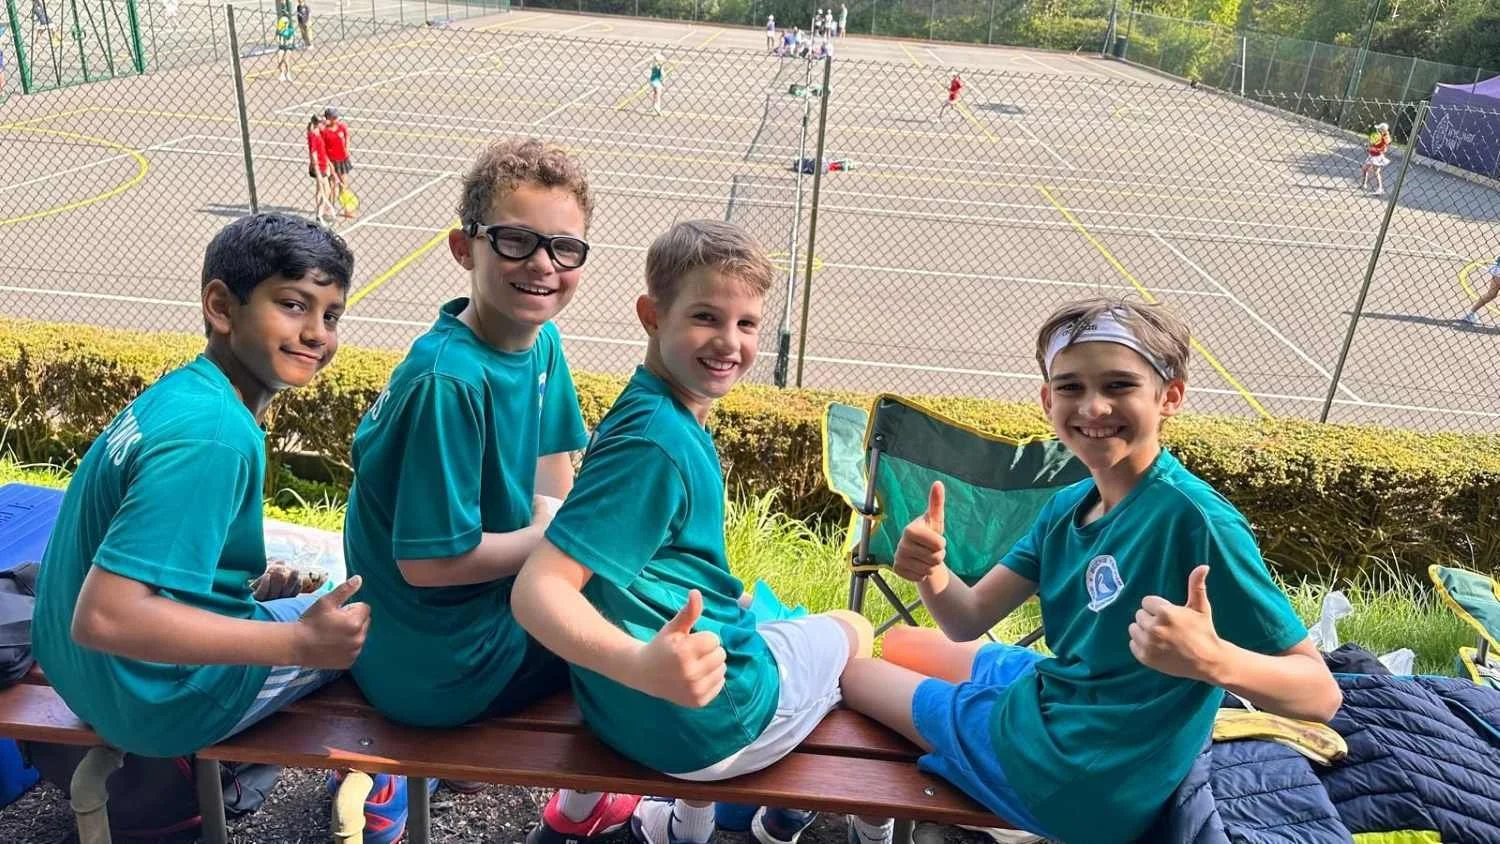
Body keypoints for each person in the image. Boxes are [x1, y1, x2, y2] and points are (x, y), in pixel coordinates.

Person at [838, 296, 1343, 844]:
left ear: (1169, 397)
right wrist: (930, 571)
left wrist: (1214, 659)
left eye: (1119, 386)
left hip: (1083, 778)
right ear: (1047, 398)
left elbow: (1320, 695)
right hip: (1064, 703)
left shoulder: (1197, 521)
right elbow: (966, 617)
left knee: (854, 674)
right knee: (909, 642)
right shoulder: (1068, 505)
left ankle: (880, 817)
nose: (1094, 407)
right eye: (1072, 387)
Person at [512, 219, 891, 844]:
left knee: (763, 612)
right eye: (707, 318)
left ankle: (685, 824)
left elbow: (656, 564)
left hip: (619, 715)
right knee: (856, 631)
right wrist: (641, 664)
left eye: (746, 325)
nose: (729, 342)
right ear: (651, 315)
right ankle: (843, 822)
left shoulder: (643, 411)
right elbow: (536, 591)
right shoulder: (658, 443)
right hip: (709, 727)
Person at [340, 137, 638, 844]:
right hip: (433, 666)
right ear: (462, 248)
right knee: (642, 643)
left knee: (622, 585)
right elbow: (429, 564)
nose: (542, 264)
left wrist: (559, 541)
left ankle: (413, 777)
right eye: (515, 240)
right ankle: (578, 811)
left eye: (565, 247)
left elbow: (552, 476)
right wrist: (556, 541)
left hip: (456, 629)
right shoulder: (448, 381)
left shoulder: (540, 343)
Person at [31, 213, 367, 760]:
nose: (317, 333)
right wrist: (300, 643)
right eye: (292, 304)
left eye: (331, 315)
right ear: (220, 306)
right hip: (155, 703)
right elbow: (106, 616)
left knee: (313, 597)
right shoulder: (215, 437)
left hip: (84, 677)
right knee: (368, 633)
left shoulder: (184, 394)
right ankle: (384, 801)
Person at [321, 107, 354, 216]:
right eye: (334, 117)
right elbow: (323, 149)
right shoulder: (324, 131)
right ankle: (330, 208)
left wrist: (347, 149)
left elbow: (347, 137)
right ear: (328, 118)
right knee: (332, 186)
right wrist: (329, 164)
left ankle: (347, 209)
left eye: (337, 117)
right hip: (332, 161)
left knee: (344, 184)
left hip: (343, 160)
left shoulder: (342, 126)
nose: (336, 119)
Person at [306, 114, 335, 225]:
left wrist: (329, 164)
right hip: (319, 167)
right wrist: (317, 170)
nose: (323, 123)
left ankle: (319, 213)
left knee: (321, 190)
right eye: (321, 122)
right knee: (325, 190)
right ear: (316, 124)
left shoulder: (318, 133)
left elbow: (322, 150)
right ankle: (320, 213)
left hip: (323, 164)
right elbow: (313, 154)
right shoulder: (313, 136)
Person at [1457, 256, 1500, 326]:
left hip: (1498, 267)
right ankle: (1470, 314)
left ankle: (1470, 314)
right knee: (1491, 294)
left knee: (1491, 294)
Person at [1360, 122, 1392, 195]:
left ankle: (1380, 189)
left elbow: (1383, 148)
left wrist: (1372, 149)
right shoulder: (1378, 136)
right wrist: (1369, 146)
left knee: (1376, 172)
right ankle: (1364, 184)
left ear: (1383, 130)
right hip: (1372, 155)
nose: (1378, 130)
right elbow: (1373, 142)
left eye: (1380, 129)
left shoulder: (1385, 137)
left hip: (1377, 156)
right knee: (1365, 168)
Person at [275, 12, 296, 81]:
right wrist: (279, 41)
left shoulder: (290, 31)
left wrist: (288, 42)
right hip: (282, 47)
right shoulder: (279, 30)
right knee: (279, 59)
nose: (285, 24)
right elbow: (277, 39)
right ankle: (282, 74)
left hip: (288, 47)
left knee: (286, 60)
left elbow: (291, 39)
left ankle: (288, 73)